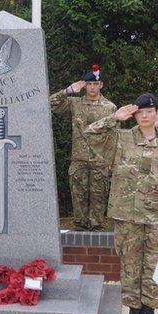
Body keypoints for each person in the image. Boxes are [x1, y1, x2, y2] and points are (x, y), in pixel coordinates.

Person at [85, 93, 158, 314]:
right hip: (127, 214)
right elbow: (90, 134)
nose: (145, 116)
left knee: (153, 264)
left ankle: (149, 310)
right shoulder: (122, 139)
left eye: (149, 111)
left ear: (157, 114)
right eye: (140, 112)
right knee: (130, 263)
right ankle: (133, 309)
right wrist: (114, 118)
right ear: (135, 114)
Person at [50, 64, 117, 230]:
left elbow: (114, 136)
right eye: (89, 84)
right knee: (78, 200)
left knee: (98, 199)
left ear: (101, 84)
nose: (92, 87)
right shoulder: (75, 104)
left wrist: (112, 161)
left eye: (96, 84)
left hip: (100, 161)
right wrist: (67, 91)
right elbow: (50, 104)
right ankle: (80, 231)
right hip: (79, 160)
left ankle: (97, 235)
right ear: (84, 85)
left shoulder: (110, 107)